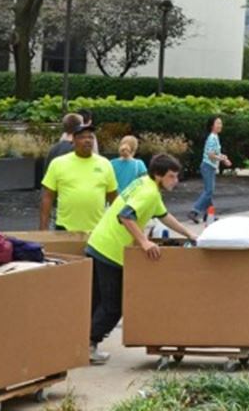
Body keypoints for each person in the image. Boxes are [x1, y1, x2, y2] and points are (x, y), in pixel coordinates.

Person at [84, 154, 196, 364]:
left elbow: (163, 215)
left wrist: (189, 233)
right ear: (158, 175)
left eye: (176, 176)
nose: (176, 181)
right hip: (110, 252)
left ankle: (82, 343)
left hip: (98, 244)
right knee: (113, 305)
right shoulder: (149, 192)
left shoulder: (145, 184)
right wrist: (144, 241)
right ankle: (89, 345)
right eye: (171, 176)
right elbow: (125, 215)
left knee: (97, 301)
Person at [39, 119, 117, 232]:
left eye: (90, 137)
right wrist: (43, 228)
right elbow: (47, 197)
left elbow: (113, 198)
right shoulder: (58, 163)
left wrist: (117, 226)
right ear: (74, 140)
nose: (87, 140)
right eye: (82, 137)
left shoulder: (105, 164)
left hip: (97, 230)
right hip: (65, 228)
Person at [190, 117, 231, 223]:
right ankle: (194, 211)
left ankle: (208, 215)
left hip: (210, 166)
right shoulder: (212, 137)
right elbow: (211, 154)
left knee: (209, 191)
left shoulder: (215, 137)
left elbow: (215, 153)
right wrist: (221, 159)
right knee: (209, 191)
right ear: (212, 126)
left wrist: (223, 158)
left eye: (221, 123)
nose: (220, 125)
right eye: (217, 123)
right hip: (207, 166)